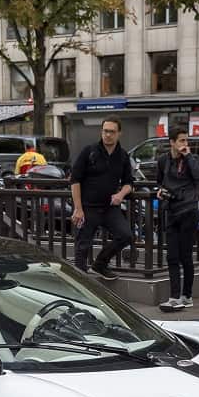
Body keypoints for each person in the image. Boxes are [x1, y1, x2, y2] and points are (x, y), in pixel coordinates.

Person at [70, 118, 134, 280]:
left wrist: (120, 195)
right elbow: (75, 180)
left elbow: (129, 183)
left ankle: (100, 265)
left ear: (119, 133)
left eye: (112, 131)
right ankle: (81, 286)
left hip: (110, 208)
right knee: (82, 247)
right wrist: (78, 208)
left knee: (125, 236)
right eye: (105, 131)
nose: (107, 135)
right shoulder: (89, 151)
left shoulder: (123, 156)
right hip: (87, 207)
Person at [156, 126, 199, 312]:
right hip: (171, 210)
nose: (185, 144)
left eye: (187, 140)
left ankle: (187, 296)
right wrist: (160, 191)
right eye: (181, 141)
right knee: (172, 257)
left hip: (189, 210)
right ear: (172, 142)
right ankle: (174, 297)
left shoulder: (192, 159)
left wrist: (189, 156)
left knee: (186, 256)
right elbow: (159, 181)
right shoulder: (163, 160)